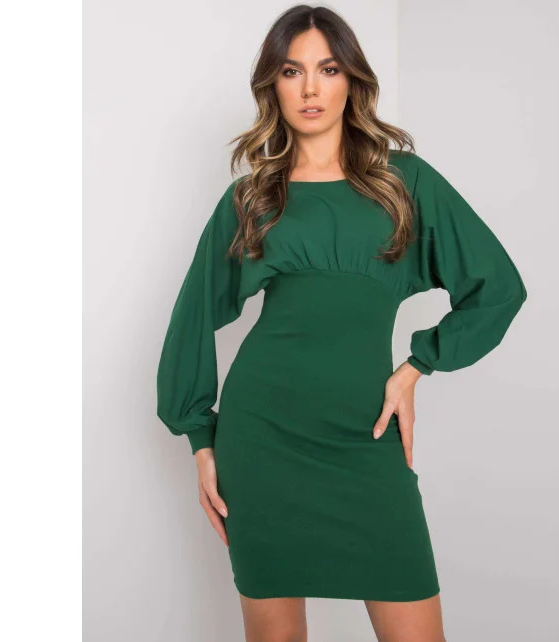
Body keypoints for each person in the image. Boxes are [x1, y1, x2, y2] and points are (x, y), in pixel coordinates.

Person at [156, 5, 527, 641]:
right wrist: (201, 440)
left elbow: (498, 288)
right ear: (272, 85)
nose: (310, 88)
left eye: (327, 69)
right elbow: (192, 317)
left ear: (352, 80)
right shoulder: (253, 197)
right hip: (263, 441)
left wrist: (417, 366)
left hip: (367, 434)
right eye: (291, 71)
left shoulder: (404, 182)